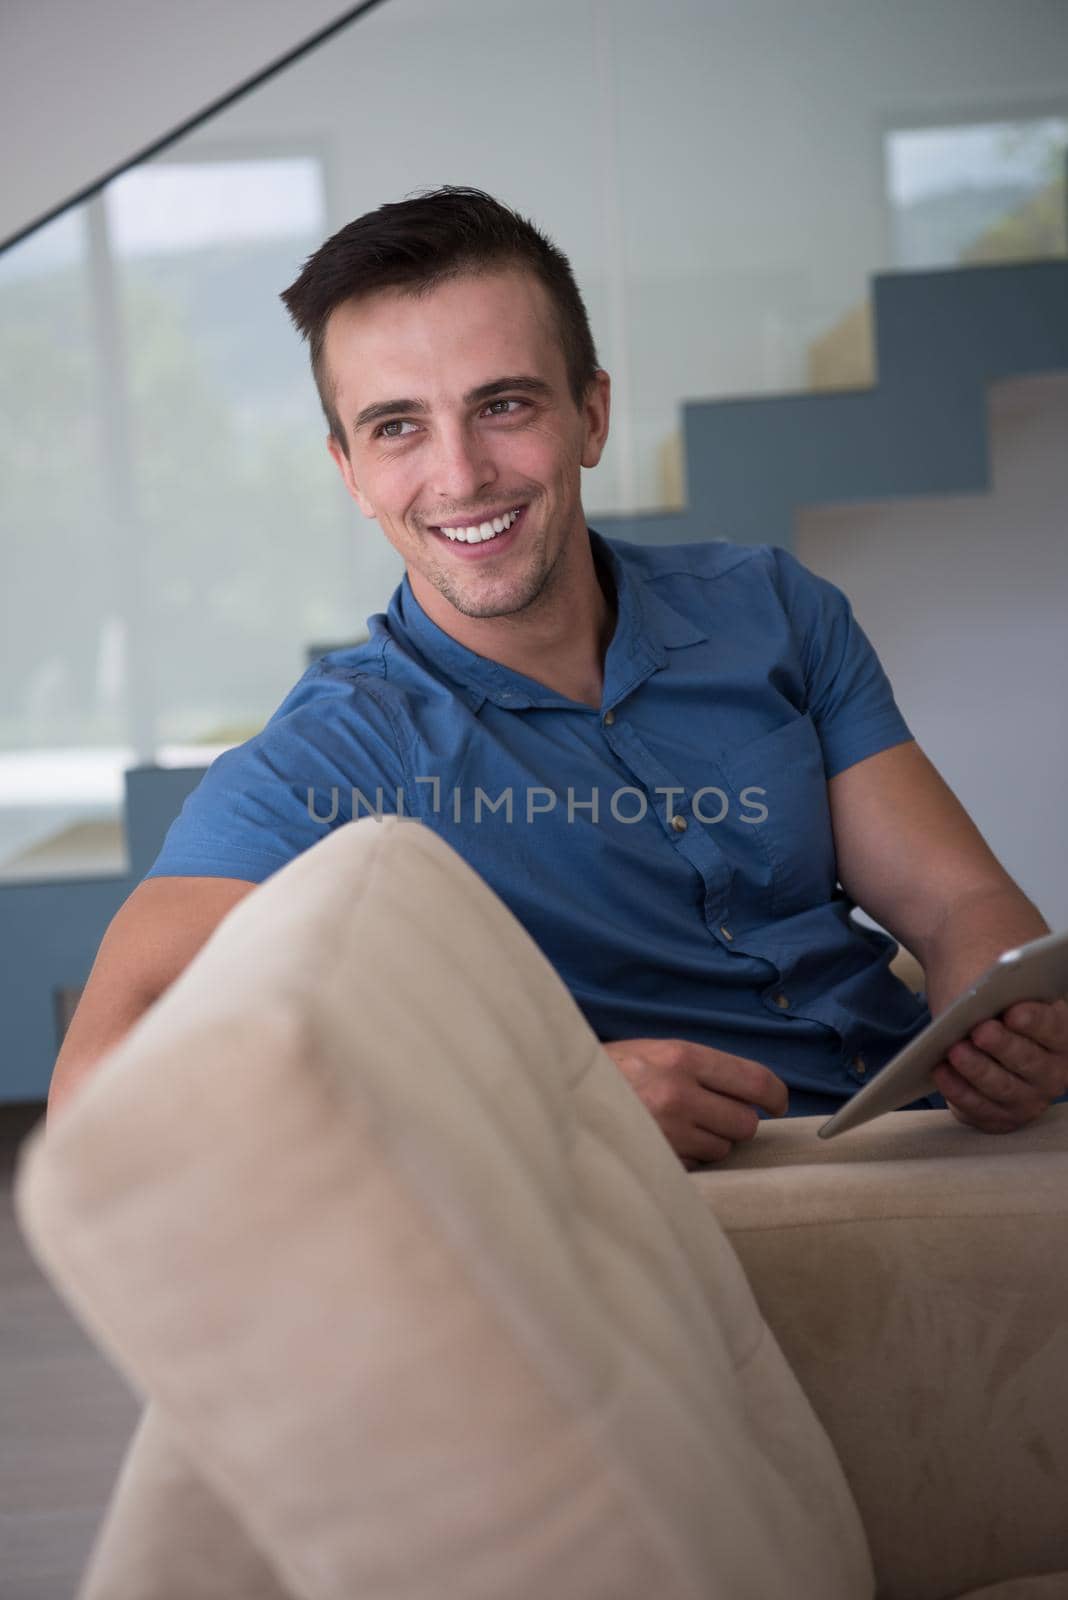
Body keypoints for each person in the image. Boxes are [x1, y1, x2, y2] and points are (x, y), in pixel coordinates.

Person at [48, 186, 1068, 1162]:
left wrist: (1008, 1023)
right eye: (396, 425)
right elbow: (99, 1086)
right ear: (349, 472)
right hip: (708, 1217)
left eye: (502, 404)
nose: (459, 474)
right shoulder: (331, 756)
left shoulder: (772, 608)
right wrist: (538, 1095)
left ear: (591, 414)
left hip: (947, 1136)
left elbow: (956, 902)